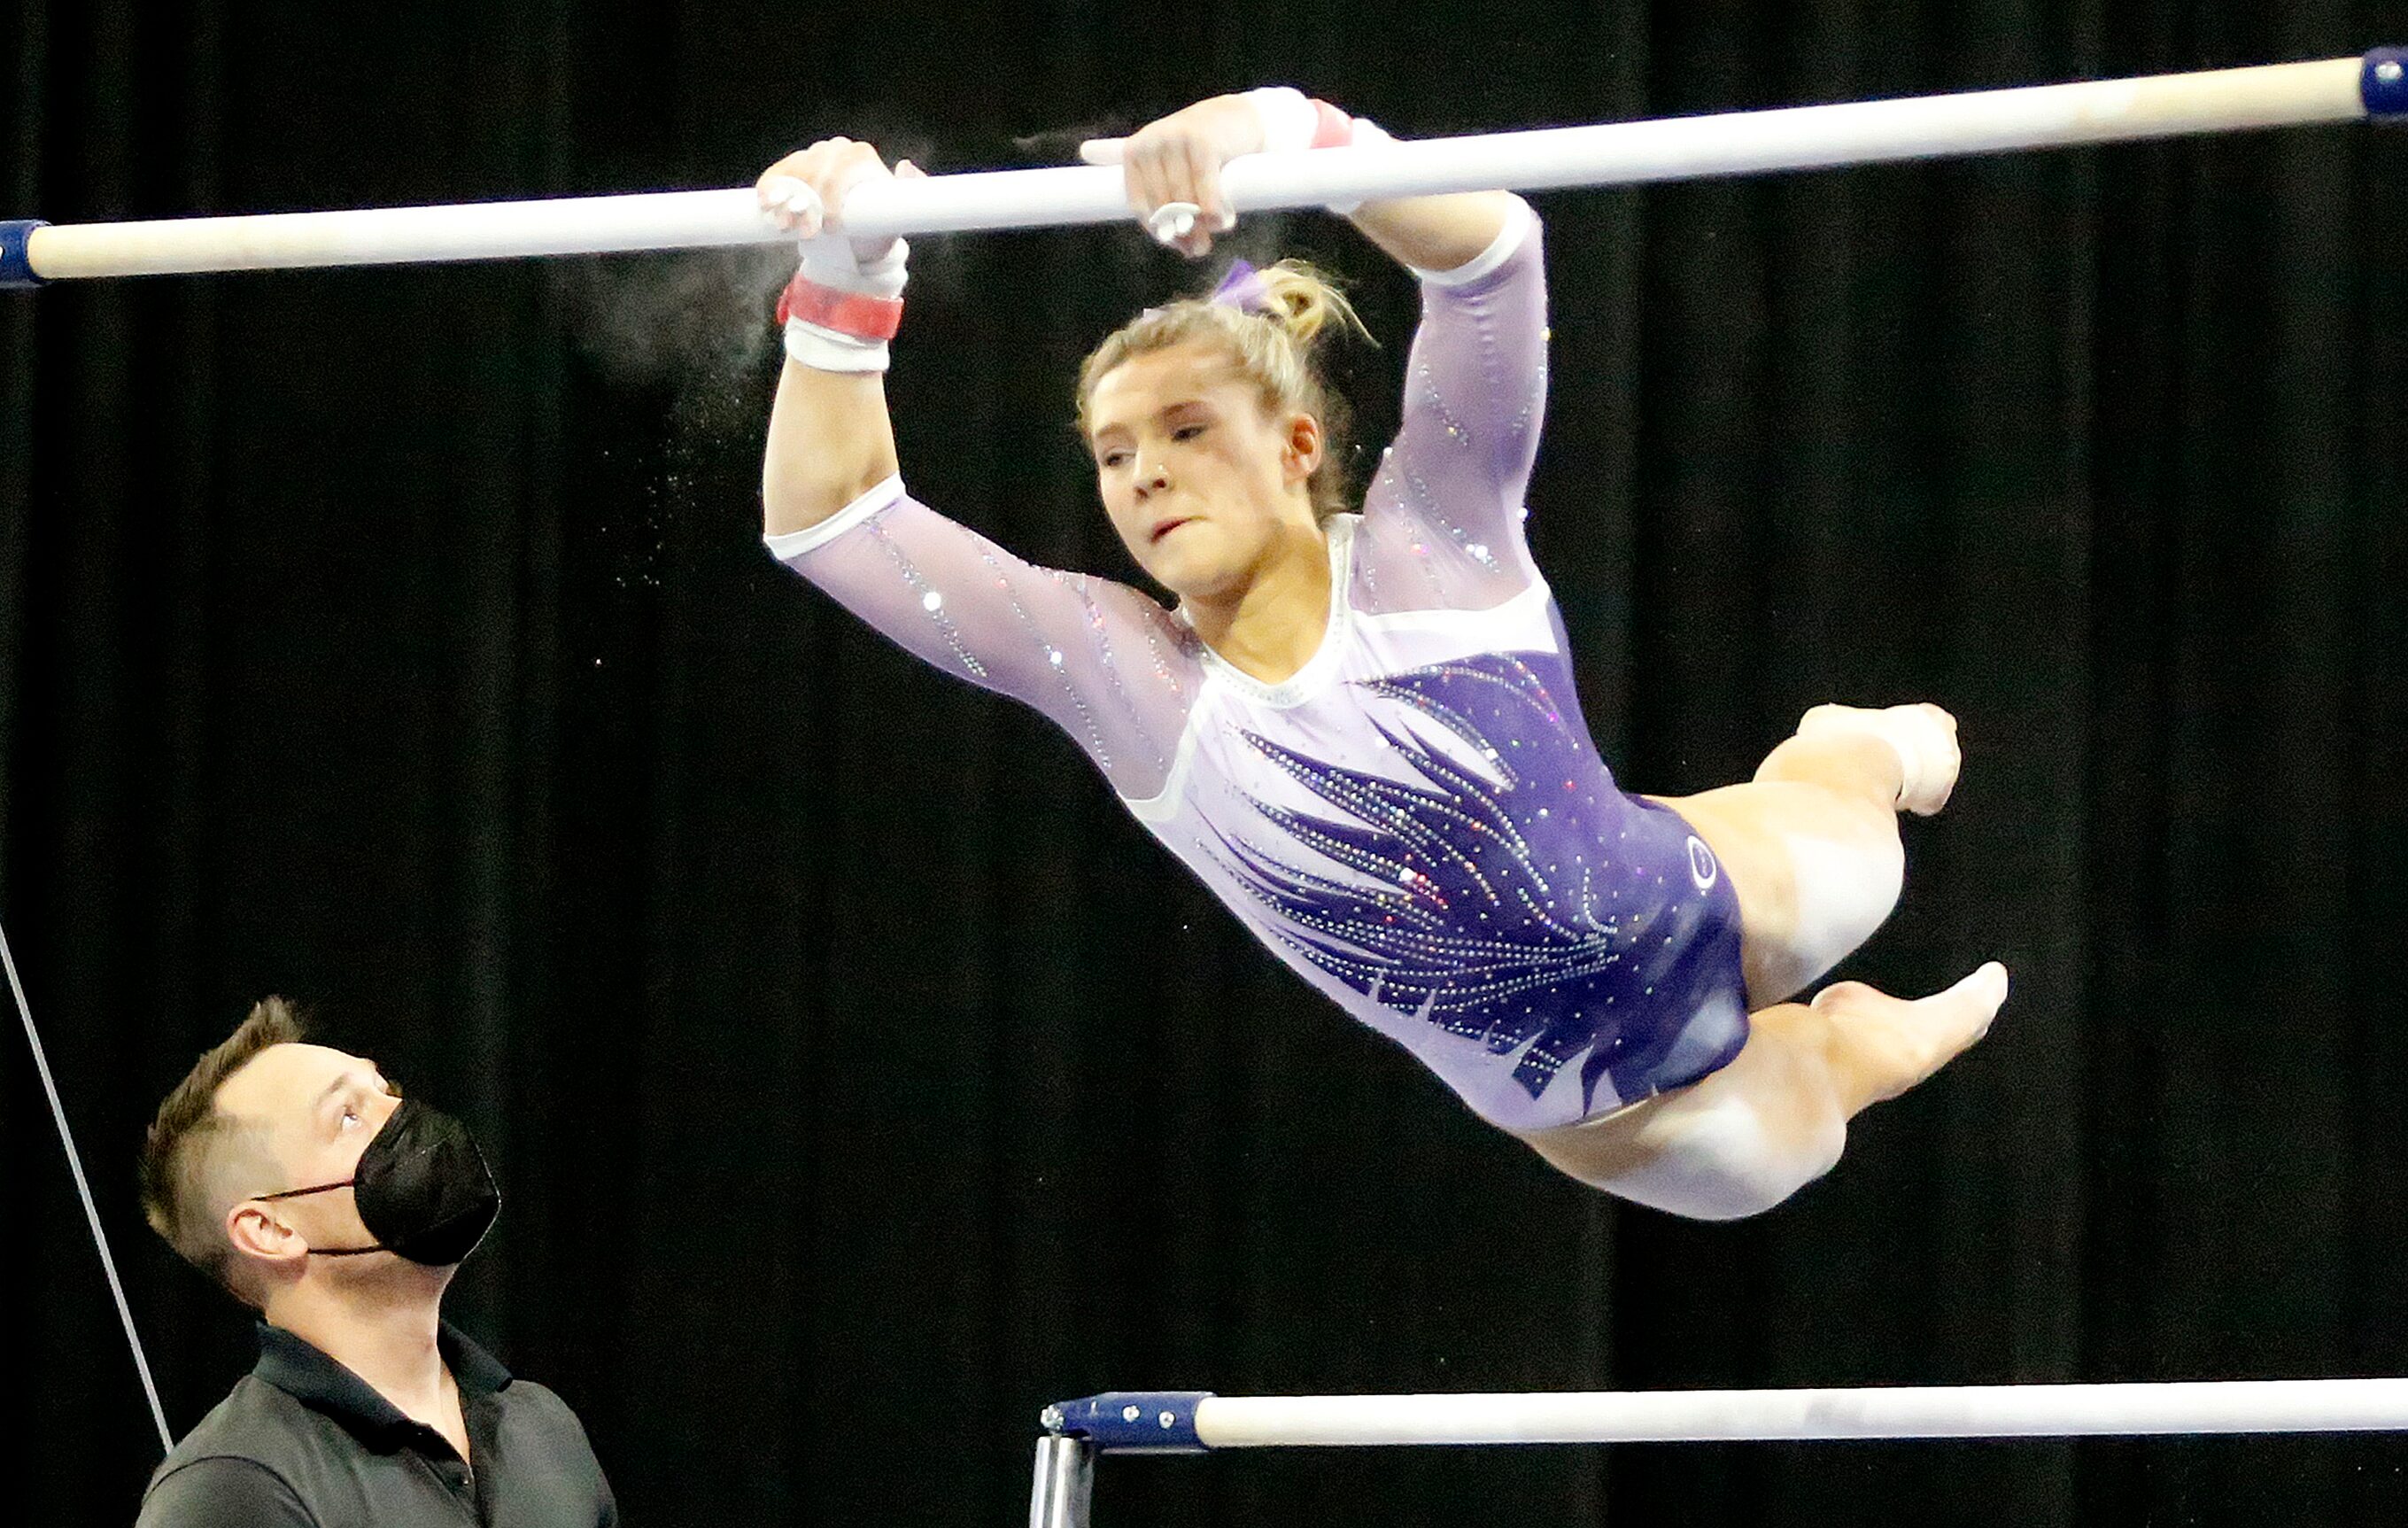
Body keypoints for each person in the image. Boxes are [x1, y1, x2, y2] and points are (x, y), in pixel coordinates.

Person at [750, 88, 2009, 1222]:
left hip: (1711, 889)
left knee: (1863, 831)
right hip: (1618, 1110)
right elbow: (831, 523)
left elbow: (1494, 256)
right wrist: (845, 281)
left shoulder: (1429, 543)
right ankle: (1858, 1039)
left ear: (1297, 445)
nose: (1145, 475)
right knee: (1807, 1123)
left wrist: (1285, 133)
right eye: (1115, 452)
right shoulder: (1124, 676)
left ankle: (1855, 745)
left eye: (1185, 430)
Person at [112, 998, 653, 1528]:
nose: (401, 1119)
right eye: (347, 1116)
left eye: (385, 1092)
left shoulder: (542, 1428)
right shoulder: (234, 1504)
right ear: (271, 1230)